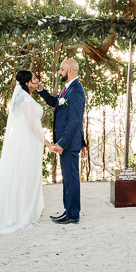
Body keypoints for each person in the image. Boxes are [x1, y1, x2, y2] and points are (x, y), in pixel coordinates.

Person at [0, 70, 52, 235]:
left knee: (21, 175)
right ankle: (23, 216)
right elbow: (31, 125)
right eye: (34, 79)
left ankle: (21, 214)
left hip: (24, 140)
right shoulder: (27, 101)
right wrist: (47, 143)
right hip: (27, 141)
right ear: (27, 83)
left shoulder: (24, 99)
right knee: (25, 176)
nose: (37, 80)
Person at [37, 58, 86, 224]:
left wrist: (62, 143)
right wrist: (40, 89)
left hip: (70, 144)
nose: (59, 72)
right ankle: (68, 211)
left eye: (61, 69)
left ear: (70, 71)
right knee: (67, 179)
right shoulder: (67, 89)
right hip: (66, 142)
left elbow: (75, 121)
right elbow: (54, 102)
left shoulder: (76, 91)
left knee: (71, 179)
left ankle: (73, 215)